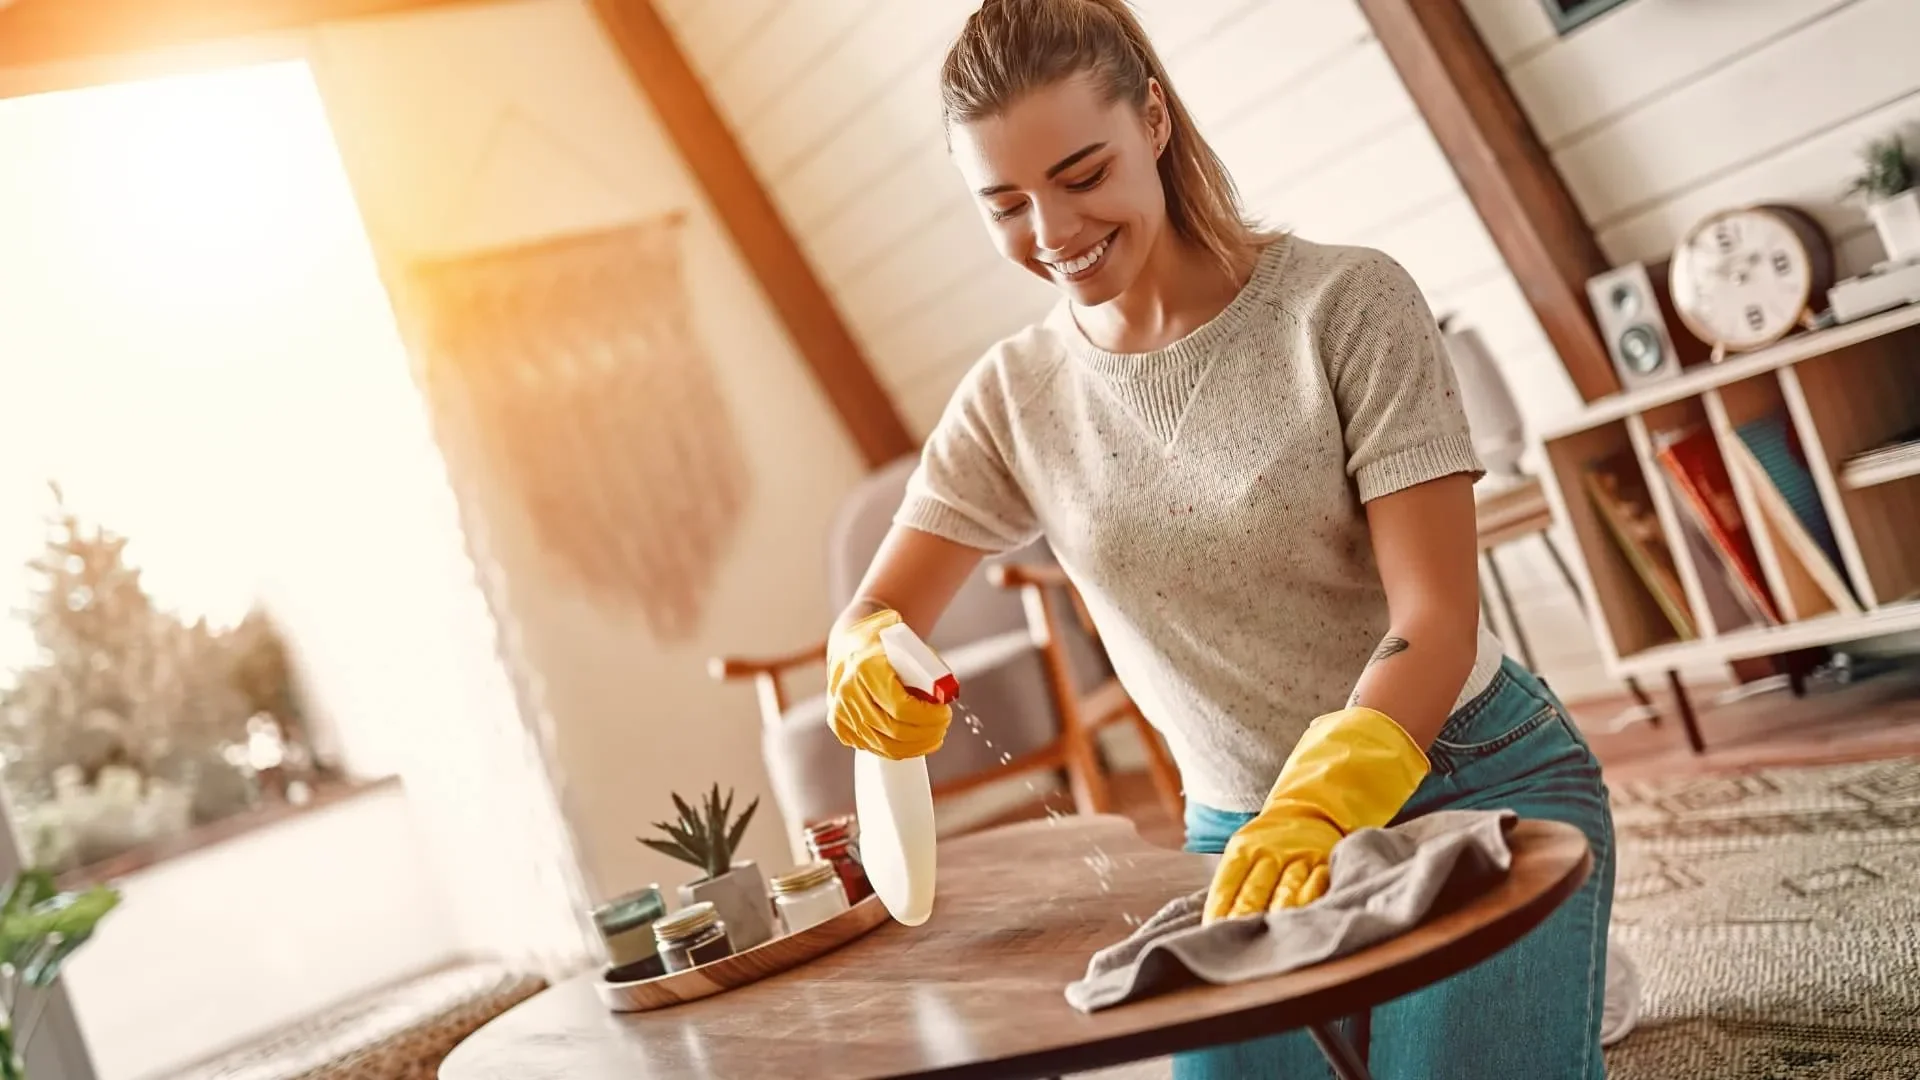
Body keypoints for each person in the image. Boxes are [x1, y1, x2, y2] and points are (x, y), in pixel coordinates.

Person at [822, 0, 1616, 1076]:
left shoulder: (1345, 302)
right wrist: (865, 657)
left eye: (1081, 173)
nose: (1052, 232)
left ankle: (1543, 975)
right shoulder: (1013, 397)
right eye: (1005, 203)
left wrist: (1321, 804)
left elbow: (1435, 617)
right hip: (1238, 848)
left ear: (1153, 119)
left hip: (1465, 781)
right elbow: (877, 612)